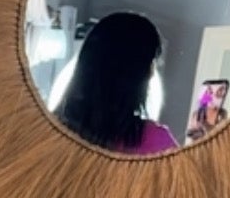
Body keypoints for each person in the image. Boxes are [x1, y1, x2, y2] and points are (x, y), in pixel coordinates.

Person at [55, 11, 179, 154]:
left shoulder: (47, 129)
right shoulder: (157, 145)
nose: (152, 73)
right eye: (151, 64)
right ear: (138, 75)